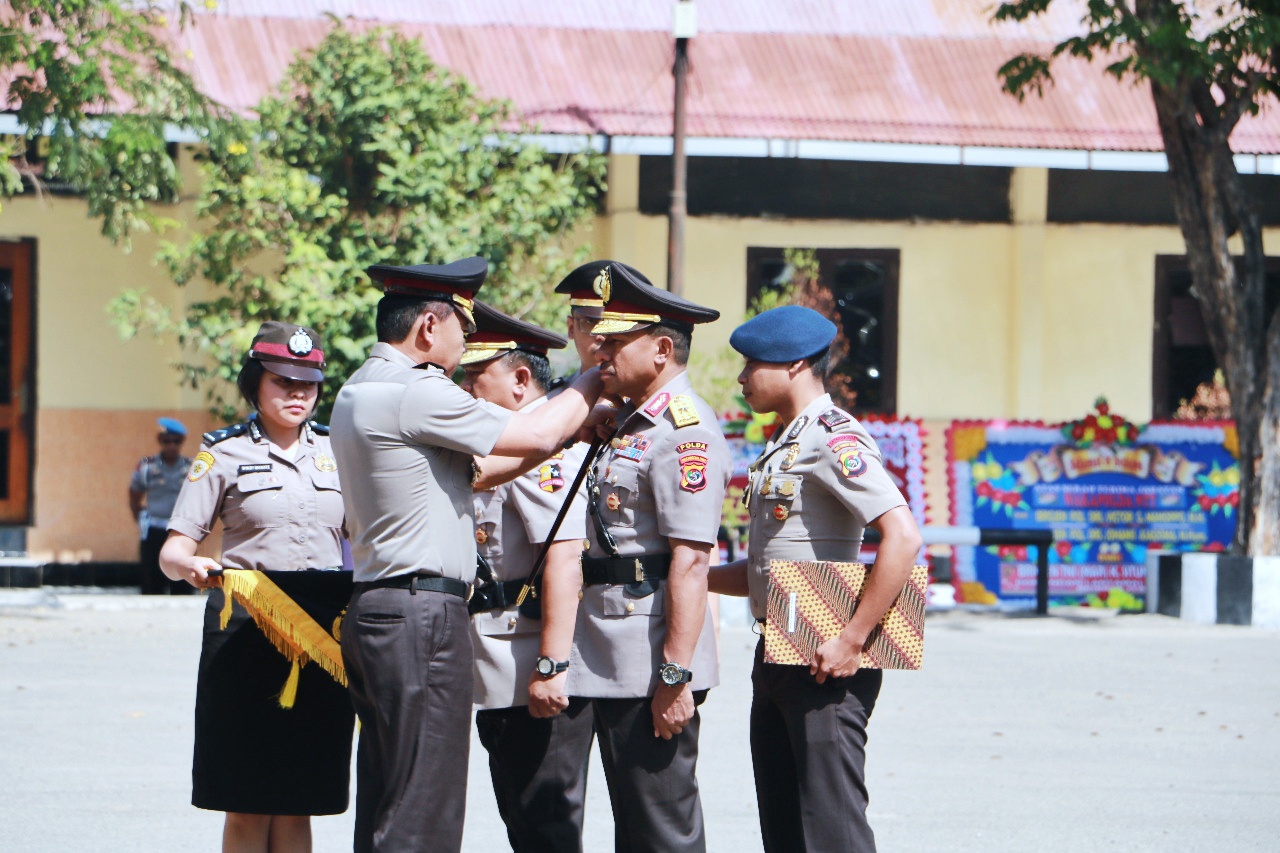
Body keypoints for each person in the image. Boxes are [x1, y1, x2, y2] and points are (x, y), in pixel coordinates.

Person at [329, 256, 605, 853]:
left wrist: (571, 429)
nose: (466, 343)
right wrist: (590, 379)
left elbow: (482, 472)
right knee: (423, 807)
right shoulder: (415, 389)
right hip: (420, 614)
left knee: (391, 793)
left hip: (382, 607)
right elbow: (532, 434)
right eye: (463, 328)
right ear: (430, 326)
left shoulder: (364, 387)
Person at [707, 305, 923, 853]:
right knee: (784, 827)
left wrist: (852, 640)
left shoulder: (832, 439)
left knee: (832, 830)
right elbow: (766, 572)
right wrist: (693, 576)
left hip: (825, 659)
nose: (741, 378)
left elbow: (902, 536)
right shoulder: (787, 443)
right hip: (780, 647)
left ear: (796, 364)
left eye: (753, 364)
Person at [159, 321, 355, 853]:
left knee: (298, 801)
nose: (297, 394)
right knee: (245, 802)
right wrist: (193, 566)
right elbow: (173, 550)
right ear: (254, 384)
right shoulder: (221, 453)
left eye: (308, 384)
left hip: (320, 637)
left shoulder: (339, 453)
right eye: (282, 382)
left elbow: (365, 539)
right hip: (245, 633)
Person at [568, 262, 728, 853]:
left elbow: (689, 563)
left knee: (662, 831)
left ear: (662, 349)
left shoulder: (684, 433)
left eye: (616, 340)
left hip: (653, 661)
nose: (600, 349)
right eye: (599, 337)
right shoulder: (628, 423)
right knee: (633, 829)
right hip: (613, 655)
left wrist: (674, 677)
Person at [459, 301, 595, 852]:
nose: (465, 389)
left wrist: (551, 667)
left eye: (475, 376)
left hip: (533, 674)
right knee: (526, 823)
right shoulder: (511, 440)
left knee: (545, 830)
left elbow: (564, 557)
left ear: (520, 380)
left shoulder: (540, 449)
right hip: (502, 666)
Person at [128, 417, 192, 595]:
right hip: (154, 528)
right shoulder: (147, 466)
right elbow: (134, 494)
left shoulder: (191, 467)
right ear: (160, 441)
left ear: (182, 442)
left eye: (176, 441)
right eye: (167, 440)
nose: (171, 445)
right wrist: (139, 517)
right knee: (151, 579)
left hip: (180, 529)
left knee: (182, 580)